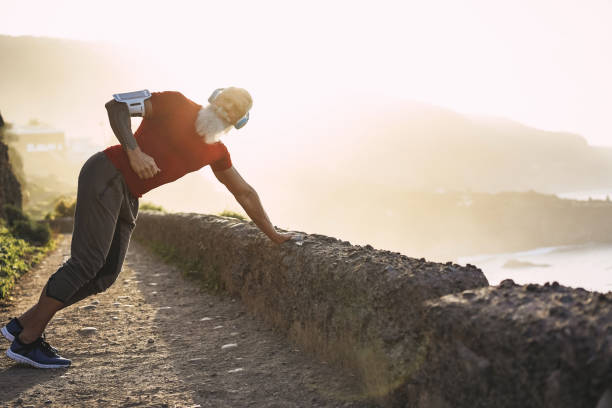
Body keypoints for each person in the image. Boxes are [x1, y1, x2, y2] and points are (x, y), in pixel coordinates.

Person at [2, 87, 293, 368]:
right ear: (215, 96)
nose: (225, 108)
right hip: (107, 171)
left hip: (129, 194)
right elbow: (116, 106)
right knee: (87, 262)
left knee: (105, 275)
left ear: (238, 121)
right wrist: (134, 152)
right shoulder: (176, 103)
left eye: (234, 110)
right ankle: (28, 340)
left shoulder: (216, 152)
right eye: (226, 100)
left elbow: (243, 192)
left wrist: (273, 233)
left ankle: (22, 324)